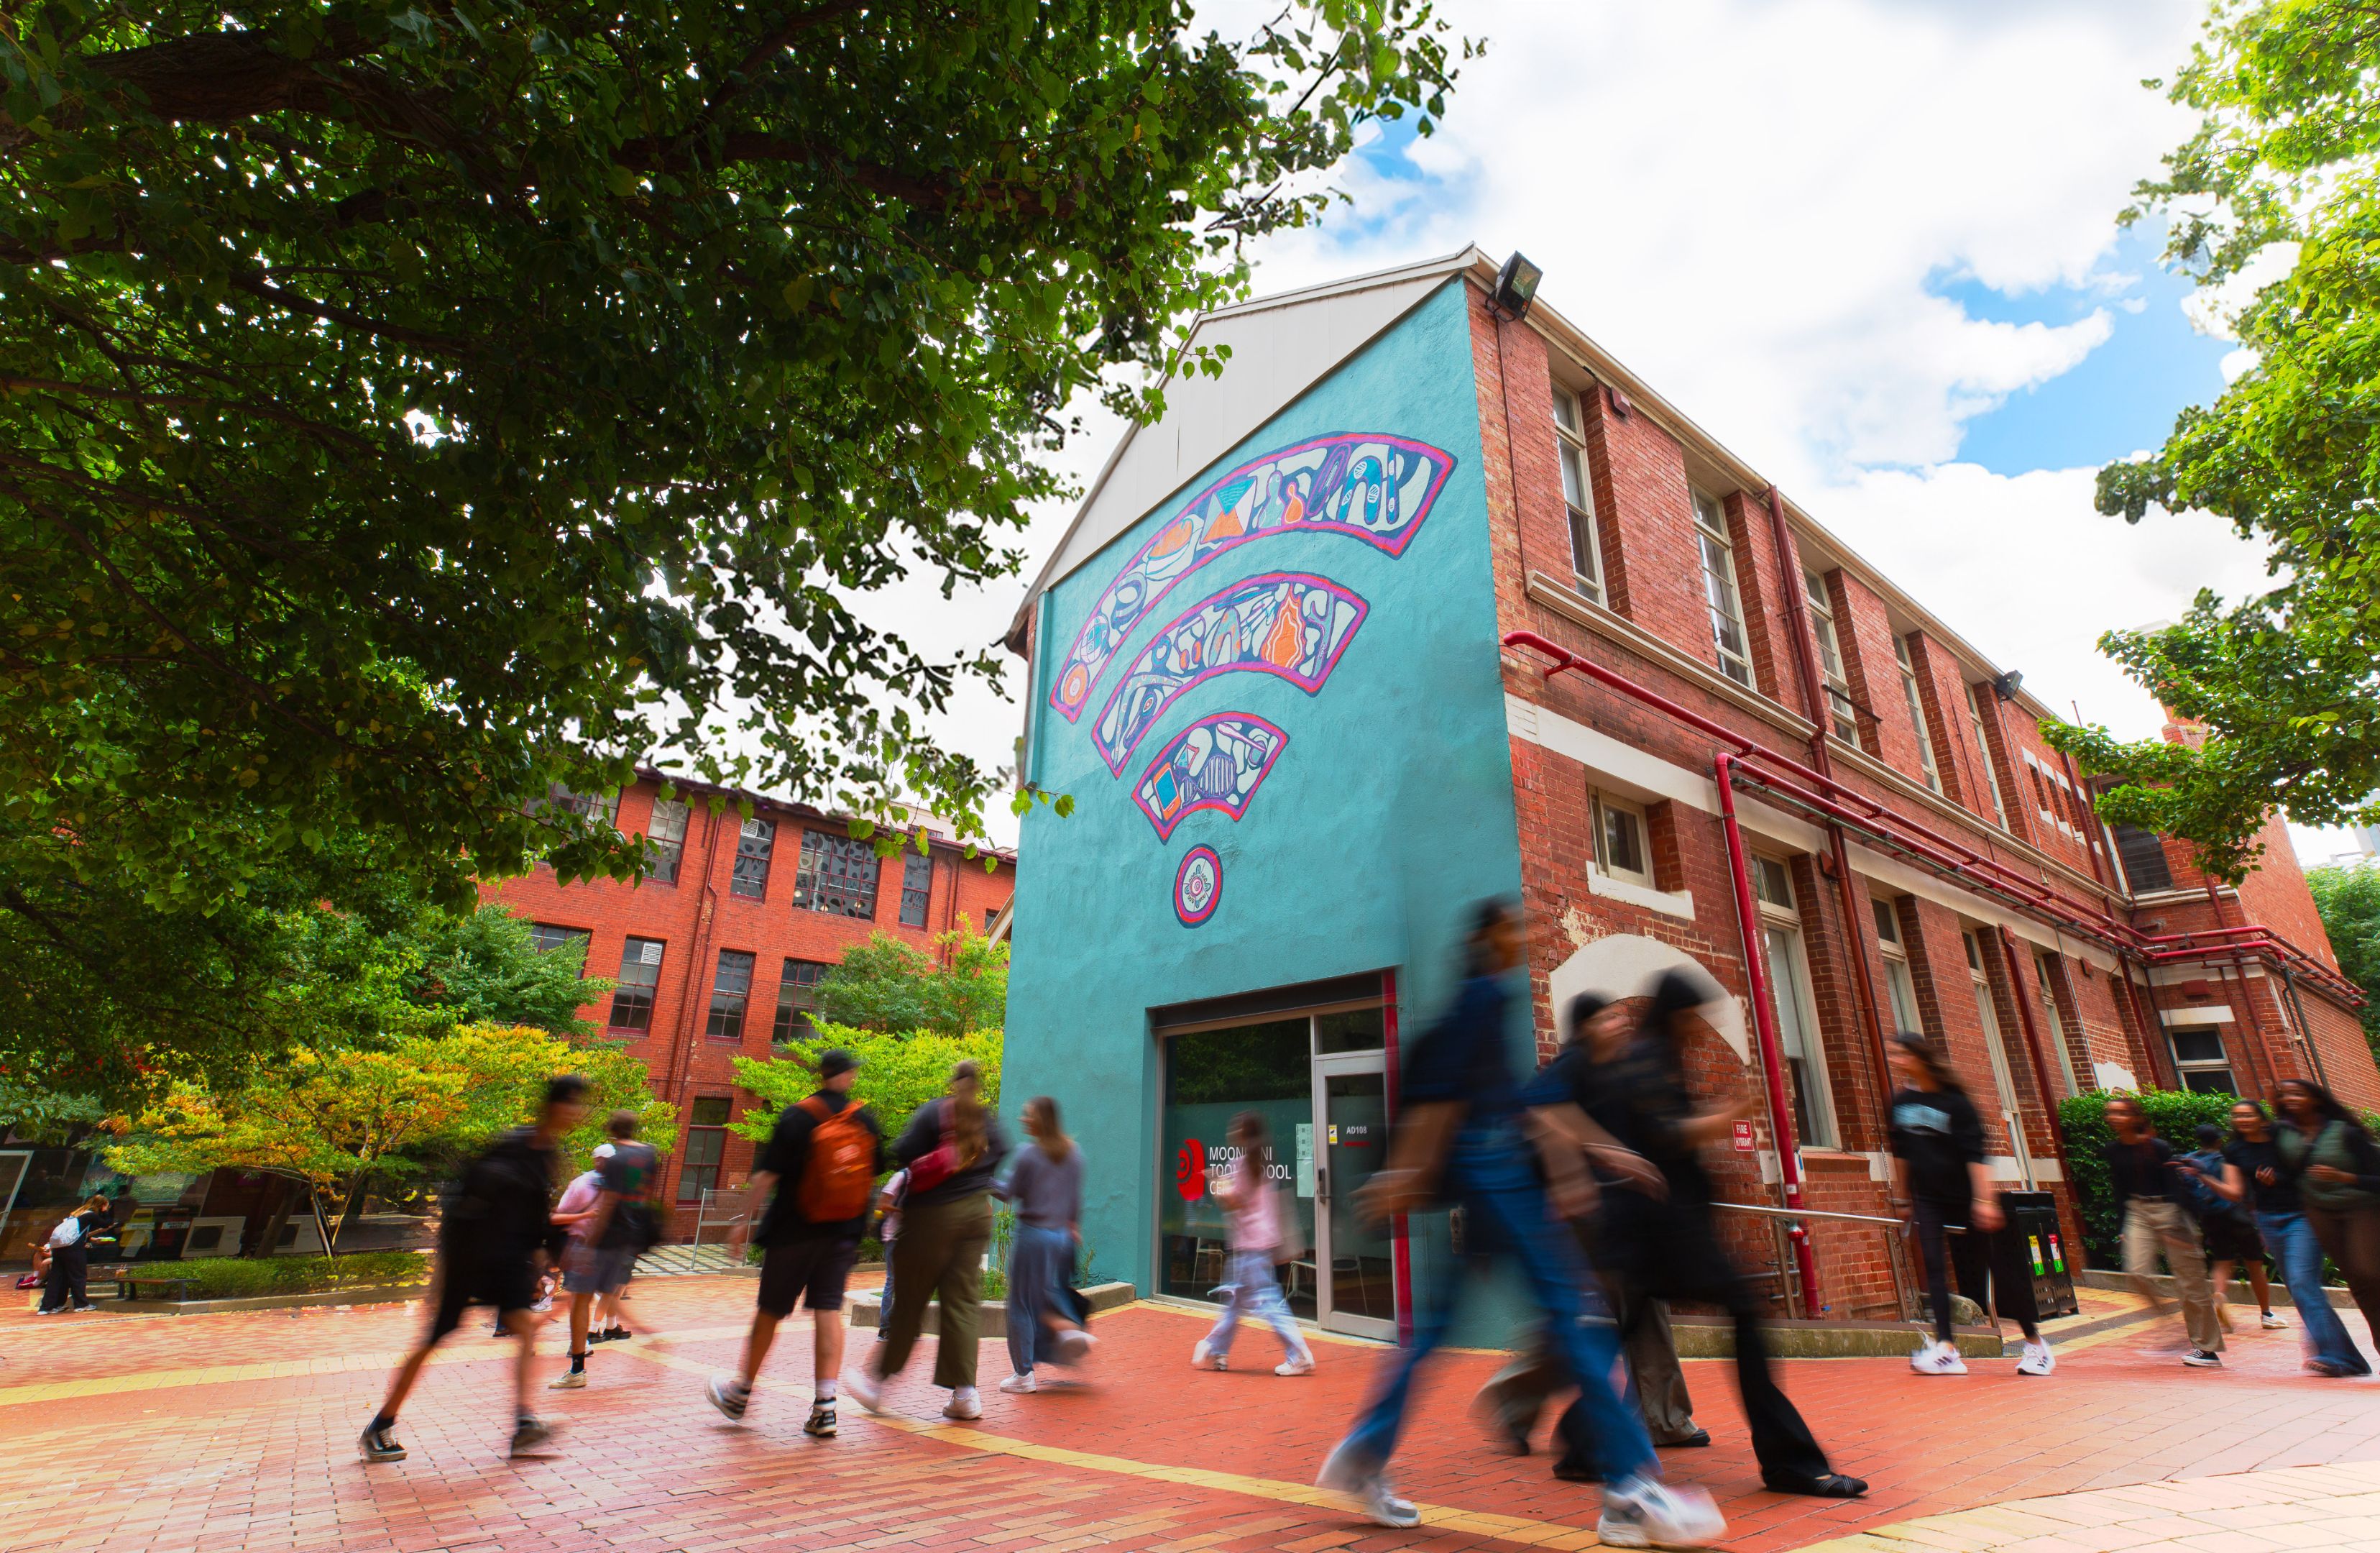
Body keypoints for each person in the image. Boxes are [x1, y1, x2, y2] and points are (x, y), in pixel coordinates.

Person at [1315, 899, 1723, 1547]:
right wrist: (1405, 1176)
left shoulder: (1485, 1001)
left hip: (1490, 1184)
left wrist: (1597, 1155)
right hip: (1499, 1180)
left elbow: (1522, 1107)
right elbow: (1445, 1104)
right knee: (1580, 1319)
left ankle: (1363, 1456)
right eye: (1513, 928)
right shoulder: (1480, 1000)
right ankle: (1630, 1491)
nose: (1523, 937)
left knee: (1440, 1331)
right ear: (1485, 938)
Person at [1563, 970, 1865, 1498]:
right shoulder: (1647, 1060)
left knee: (1622, 1331)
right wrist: (1728, 1113)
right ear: (1676, 1015)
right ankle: (1790, 1462)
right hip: (1660, 1231)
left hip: (1652, 1231)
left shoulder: (1650, 1058)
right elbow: (1665, 1133)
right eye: (1693, 1018)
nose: (1699, 1029)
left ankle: (1581, 1444)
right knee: (1743, 1311)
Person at [1474, 994, 1708, 1458]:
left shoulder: (1608, 1073)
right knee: (1595, 1322)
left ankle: (1663, 1415)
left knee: (1635, 1313)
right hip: (1576, 1220)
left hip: (1612, 1215)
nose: (1620, 1023)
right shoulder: (1571, 1065)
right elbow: (1537, 1114)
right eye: (1608, 1017)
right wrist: (1594, 1162)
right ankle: (1516, 1400)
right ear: (1585, 1028)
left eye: (1620, 1016)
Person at [361, 1073, 587, 1462]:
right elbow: (465, 1209)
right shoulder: (512, 1146)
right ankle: (381, 1423)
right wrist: (448, 1272)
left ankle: (523, 1423)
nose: (577, 1112)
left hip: (508, 1263)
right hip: (472, 1260)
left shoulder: (547, 1155)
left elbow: (535, 1216)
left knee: (525, 1332)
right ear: (553, 1105)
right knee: (432, 1340)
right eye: (572, 1103)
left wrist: (546, 1259)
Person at [709, 1048, 886, 1435]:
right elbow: (873, 1173)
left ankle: (741, 1392)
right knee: (828, 1310)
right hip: (841, 1234)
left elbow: (767, 1176)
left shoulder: (797, 1116)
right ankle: (825, 1405)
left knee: (770, 1311)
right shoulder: (865, 1121)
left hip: (793, 1231)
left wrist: (743, 1222)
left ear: (821, 1074)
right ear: (849, 1075)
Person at [847, 1058, 1011, 1421]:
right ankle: (965, 1394)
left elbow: (903, 1152)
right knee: (963, 1302)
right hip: (976, 1214)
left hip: (934, 1214)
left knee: (910, 1298)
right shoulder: (986, 1118)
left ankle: (878, 1384)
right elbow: (1002, 1151)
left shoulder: (935, 1111)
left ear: (954, 1081)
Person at [1886, 1033, 2051, 1378]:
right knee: (1934, 1269)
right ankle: (1947, 1348)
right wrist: (1902, 1198)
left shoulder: (1956, 1103)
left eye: (1902, 1055)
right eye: (1894, 1055)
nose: (1897, 1061)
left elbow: (1976, 1155)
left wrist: (1984, 1200)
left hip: (1965, 1196)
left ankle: (2036, 1344)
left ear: (1921, 1057)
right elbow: (1900, 1154)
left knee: (1998, 1271)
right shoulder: (1900, 1103)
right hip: (1928, 1197)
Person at [2207, 1099, 2363, 1375]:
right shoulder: (2234, 1150)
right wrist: (2202, 1177)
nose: (2242, 1120)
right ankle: (2346, 1357)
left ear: (2261, 1118)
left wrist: (2278, 1178)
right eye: (2236, 1116)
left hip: (2301, 1216)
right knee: (2300, 1288)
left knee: (2304, 1284)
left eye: (2247, 1115)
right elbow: (2234, 1192)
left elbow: (2306, 1169)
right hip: (2269, 1220)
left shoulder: (2281, 1136)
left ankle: (2335, 1355)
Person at [1191, 1109, 1315, 1378]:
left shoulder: (1242, 1163)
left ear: (1243, 1134)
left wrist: (1215, 1181)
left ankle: (1299, 1354)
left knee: (1268, 1302)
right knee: (1236, 1302)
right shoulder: (1259, 1162)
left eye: (1236, 1128)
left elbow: (1234, 1202)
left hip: (1249, 1246)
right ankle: (1217, 1350)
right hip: (1258, 1244)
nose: (1231, 1132)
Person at [2104, 1094, 2224, 1367]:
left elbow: (2174, 1185)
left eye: (2121, 1112)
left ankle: (2207, 1349)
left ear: (2134, 1117)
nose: (2114, 1117)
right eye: (2111, 1113)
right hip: (2137, 1211)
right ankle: (2169, 1317)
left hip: (2170, 1209)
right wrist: (2122, 1224)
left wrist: (2176, 1224)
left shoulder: (2157, 1147)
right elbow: (2119, 1189)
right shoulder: (2113, 1149)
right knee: (2136, 1272)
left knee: (2191, 1282)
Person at [2274, 1078, 2380, 1362]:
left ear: (2316, 1100)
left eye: (2297, 1094)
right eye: (2284, 1095)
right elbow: (2288, 1173)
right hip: (2319, 1211)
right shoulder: (2283, 1134)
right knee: (2358, 1282)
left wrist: (2345, 1177)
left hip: (2361, 1208)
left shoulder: (2345, 1132)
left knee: (2371, 1273)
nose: (2289, 1099)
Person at [550, 1112, 658, 1389]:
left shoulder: (615, 1163)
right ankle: (651, 1337)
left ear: (612, 1134)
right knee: (610, 1295)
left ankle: (577, 1370)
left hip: (604, 1241)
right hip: (629, 1240)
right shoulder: (649, 1155)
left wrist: (588, 1245)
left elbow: (607, 1207)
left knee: (579, 1304)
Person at [998, 1095, 1097, 1393]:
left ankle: (1023, 1374)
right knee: (1044, 1295)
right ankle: (1068, 1329)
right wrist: (1072, 1228)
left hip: (1033, 1235)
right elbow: (1076, 1200)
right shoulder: (1075, 1153)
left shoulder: (1028, 1153)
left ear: (1041, 1120)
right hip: (1060, 1237)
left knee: (1020, 1304)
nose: (1023, 1120)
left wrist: (979, 1181)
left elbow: (1008, 1193)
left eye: (1028, 1115)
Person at [2178, 1121, 2277, 1332]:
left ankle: (2220, 1296)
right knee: (2255, 1265)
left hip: (2211, 1218)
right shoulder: (2229, 1160)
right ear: (2220, 1140)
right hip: (2238, 1216)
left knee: (2222, 1262)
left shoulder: (2191, 1161)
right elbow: (2244, 1193)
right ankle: (2266, 1314)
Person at [35, 1194, 109, 1314]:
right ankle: (81, 1304)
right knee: (78, 1277)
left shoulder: (76, 1214)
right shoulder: (90, 1215)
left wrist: (90, 1239)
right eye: (106, 1205)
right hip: (74, 1250)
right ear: (101, 1205)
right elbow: (106, 1223)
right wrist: (105, 1211)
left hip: (60, 1248)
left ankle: (47, 1307)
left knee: (56, 1277)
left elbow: (76, 1233)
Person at [871, 1166, 908, 1346]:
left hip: (912, 1239)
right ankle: (885, 1328)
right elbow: (881, 1205)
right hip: (894, 1237)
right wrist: (902, 1212)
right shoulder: (901, 1176)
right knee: (892, 1281)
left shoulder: (926, 1175)